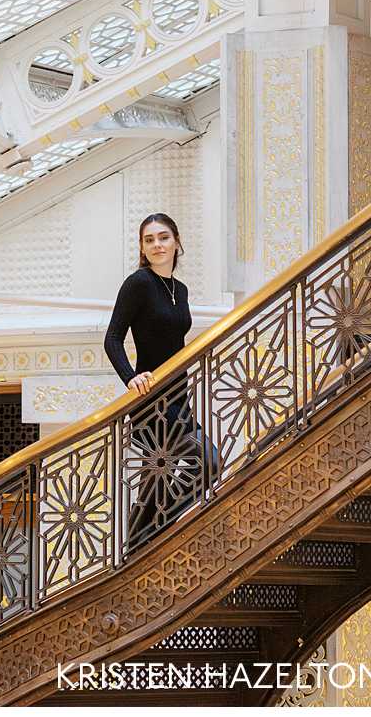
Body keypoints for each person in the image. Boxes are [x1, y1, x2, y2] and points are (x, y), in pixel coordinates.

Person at [103, 213, 215, 549]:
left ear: (177, 242)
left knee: (156, 482)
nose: (157, 245)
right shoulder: (139, 283)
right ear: (142, 247)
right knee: (203, 461)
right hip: (153, 400)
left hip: (179, 395)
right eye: (149, 239)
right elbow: (112, 338)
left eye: (163, 237)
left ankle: (142, 544)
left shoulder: (180, 289)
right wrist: (131, 377)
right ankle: (142, 543)